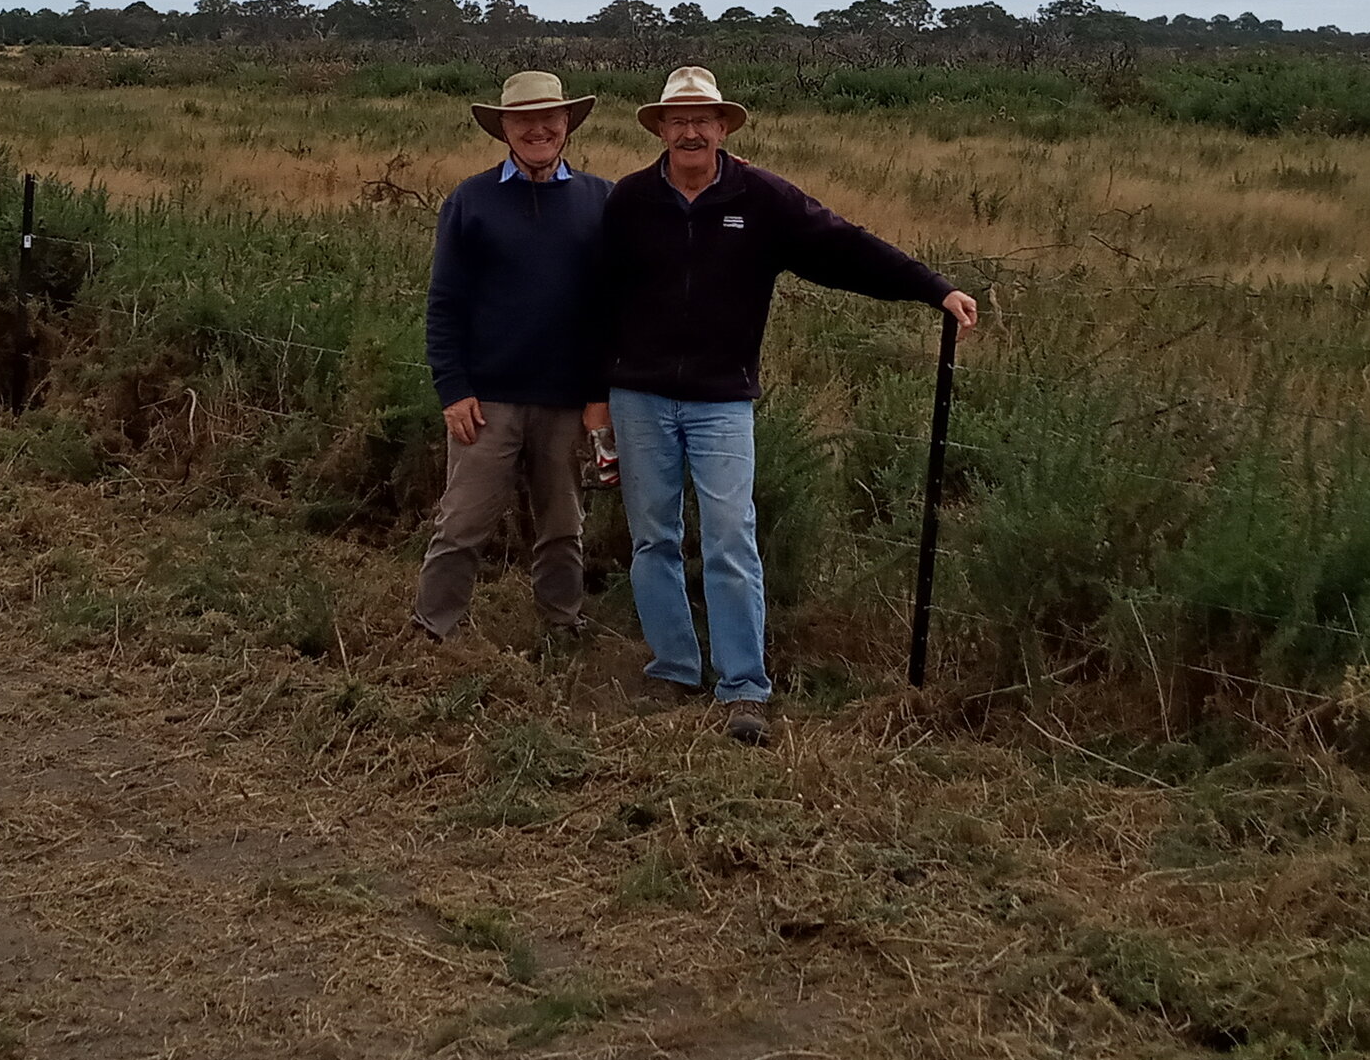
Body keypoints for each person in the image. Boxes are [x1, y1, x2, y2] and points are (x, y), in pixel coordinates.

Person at [596, 67, 977, 745]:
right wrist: (595, 398)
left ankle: (744, 687)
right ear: (659, 129)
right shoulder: (627, 202)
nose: (689, 131)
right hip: (640, 395)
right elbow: (590, 302)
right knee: (653, 537)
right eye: (677, 120)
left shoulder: (761, 198)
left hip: (721, 401)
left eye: (702, 119)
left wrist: (933, 288)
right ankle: (675, 670)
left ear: (723, 128)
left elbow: (844, 246)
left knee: (729, 536)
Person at [414, 71, 615, 647]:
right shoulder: (471, 201)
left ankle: (562, 626)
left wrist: (599, 396)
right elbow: (445, 303)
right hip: (487, 401)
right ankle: (434, 632)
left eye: (550, 119)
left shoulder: (601, 199)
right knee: (463, 523)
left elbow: (613, 306)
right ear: (504, 128)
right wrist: (453, 390)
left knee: (562, 527)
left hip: (568, 401)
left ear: (567, 125)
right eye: (524, 120)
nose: (539, 130)